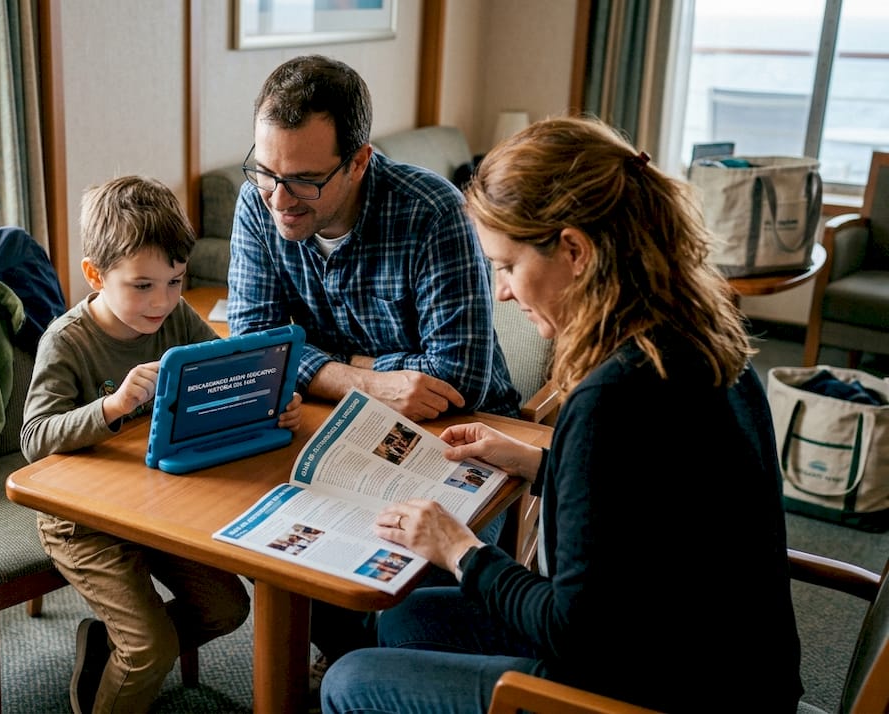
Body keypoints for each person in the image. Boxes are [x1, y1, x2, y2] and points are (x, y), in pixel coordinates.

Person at [319, 115, 802, 713]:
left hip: (652, 689)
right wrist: (538, 462)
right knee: (408, 616)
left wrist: (458, 550)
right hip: (724, 665)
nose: (501, 293)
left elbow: (572, 629)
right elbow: (652, 505)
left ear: (574, 250)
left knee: (348, 680)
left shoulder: (613, 395)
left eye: (507, 266)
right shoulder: (700, 340)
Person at [228, 53, 523, 686]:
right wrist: (365, 378)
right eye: (265, 171)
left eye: (304, 179)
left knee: (406, 580)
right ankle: (342, 659)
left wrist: (311, 361)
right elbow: (254, 341)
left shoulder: (430, 211)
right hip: (331, 421)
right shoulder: (260, 203)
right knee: (260, 533)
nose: (280, 199)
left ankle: (379, 673)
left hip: (464, 434)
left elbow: (457, 374)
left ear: (360, 160)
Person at [20, 175, 303, 714]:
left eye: (176, 281)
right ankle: (133, 657)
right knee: (149, 648)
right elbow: (34, 440)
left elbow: (224, 369)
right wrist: (112, 406)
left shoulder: (174, 315)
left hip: (154, 506)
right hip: (83, 525)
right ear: (95, 276)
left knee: (227, 611)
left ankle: (114, 647)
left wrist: (273, 401)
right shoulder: (67, 340)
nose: (164, 300)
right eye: (143, 285)